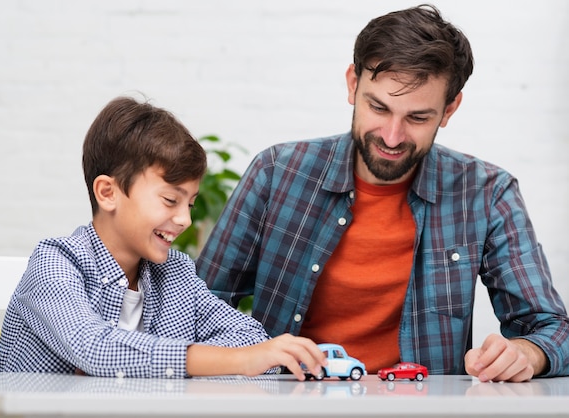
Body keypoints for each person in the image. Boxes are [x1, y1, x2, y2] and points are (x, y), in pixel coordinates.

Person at [196, 5, 569, 382]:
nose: (392, 137)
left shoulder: (486, 192)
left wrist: (527, 352)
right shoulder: (277, 173)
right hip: (286, 401)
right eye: (378, 107)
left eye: (417, 118)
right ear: (352, 84)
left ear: (449, 109)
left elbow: (554, 328)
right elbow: (197, 308)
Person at [0, 96, 326, 380]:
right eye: (170, 200)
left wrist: (260, 355)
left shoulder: (176, 274)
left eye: (190, 204)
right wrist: (239, 361)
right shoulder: (56, 263)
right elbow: (92, 347)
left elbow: (248, 337)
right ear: (108, 193)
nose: (184, 219)